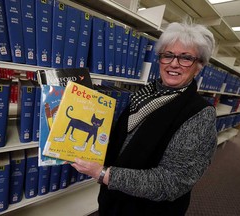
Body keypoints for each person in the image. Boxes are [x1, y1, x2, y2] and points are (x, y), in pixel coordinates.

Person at [71, 20, 217, 216]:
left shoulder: (200, 114)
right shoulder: (143, 95)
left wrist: (103, 174)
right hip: (114, 200)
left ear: (199, 66)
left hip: (148, 210)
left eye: (186, 58)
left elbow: (173, 182)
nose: (174, 63)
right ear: (159, 59)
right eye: (168, 55)